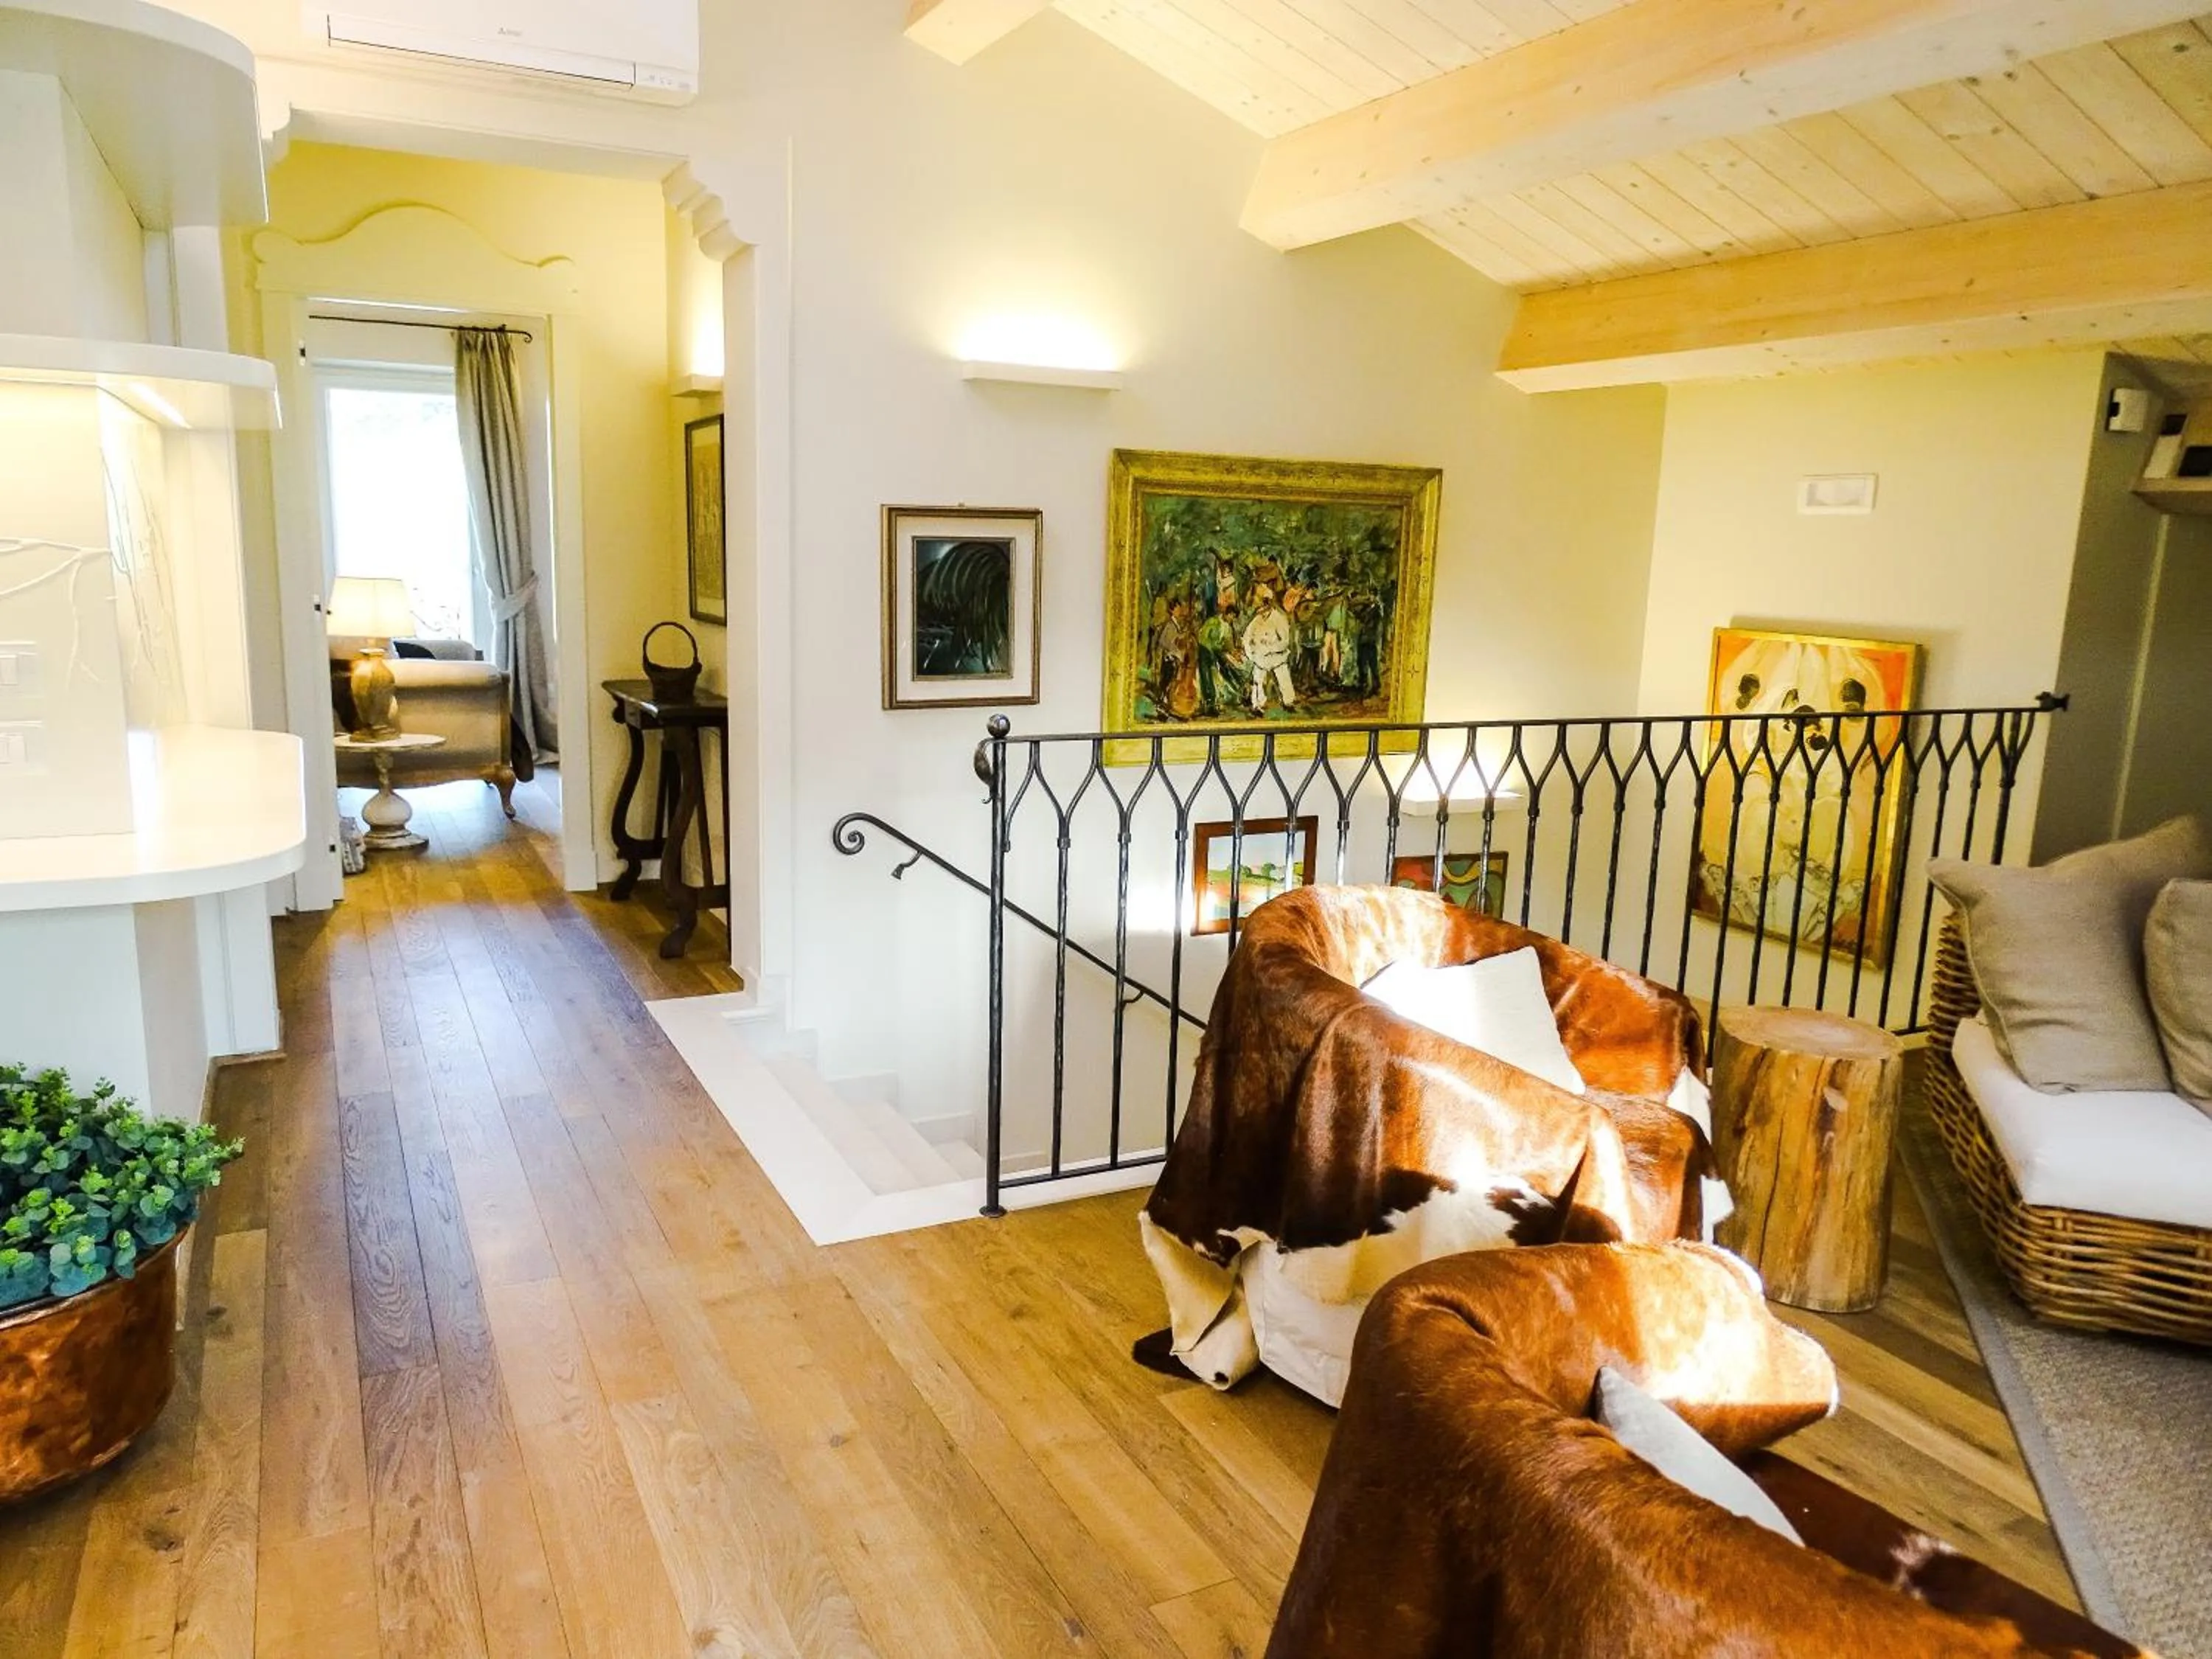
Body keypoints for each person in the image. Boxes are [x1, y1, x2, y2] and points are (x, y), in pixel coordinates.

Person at [1242, 584, 1296, 714]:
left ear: (1268, 605)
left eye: (1262, 606)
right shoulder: (1256, 620)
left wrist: (1270, 648)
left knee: (1283, 678)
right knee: (1257, 681)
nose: (1260, 610)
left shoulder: (1279, 618)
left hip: (1277, 656)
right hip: (1260, 657)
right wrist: (1251, 653)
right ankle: (1257, 705)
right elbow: (1246, 637)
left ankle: (1288, 702)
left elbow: (1284, 641)